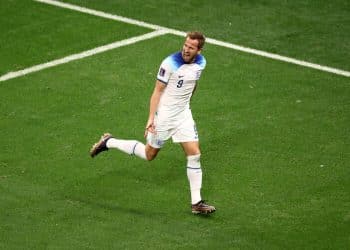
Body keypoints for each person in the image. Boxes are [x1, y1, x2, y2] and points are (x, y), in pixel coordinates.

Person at [90, 31, 216, 214]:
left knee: (195, 154)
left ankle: (196, 203)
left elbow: (193, 83)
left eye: (191, 47)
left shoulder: (201, 63)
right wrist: (151, 119)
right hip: (164, 118)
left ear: (199, 50)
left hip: (183, 116)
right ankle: (109, 142)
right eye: (185, 45)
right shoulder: (169, 64)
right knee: (149, 154)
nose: (186, 49)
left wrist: (186, 102)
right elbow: (157, 91)